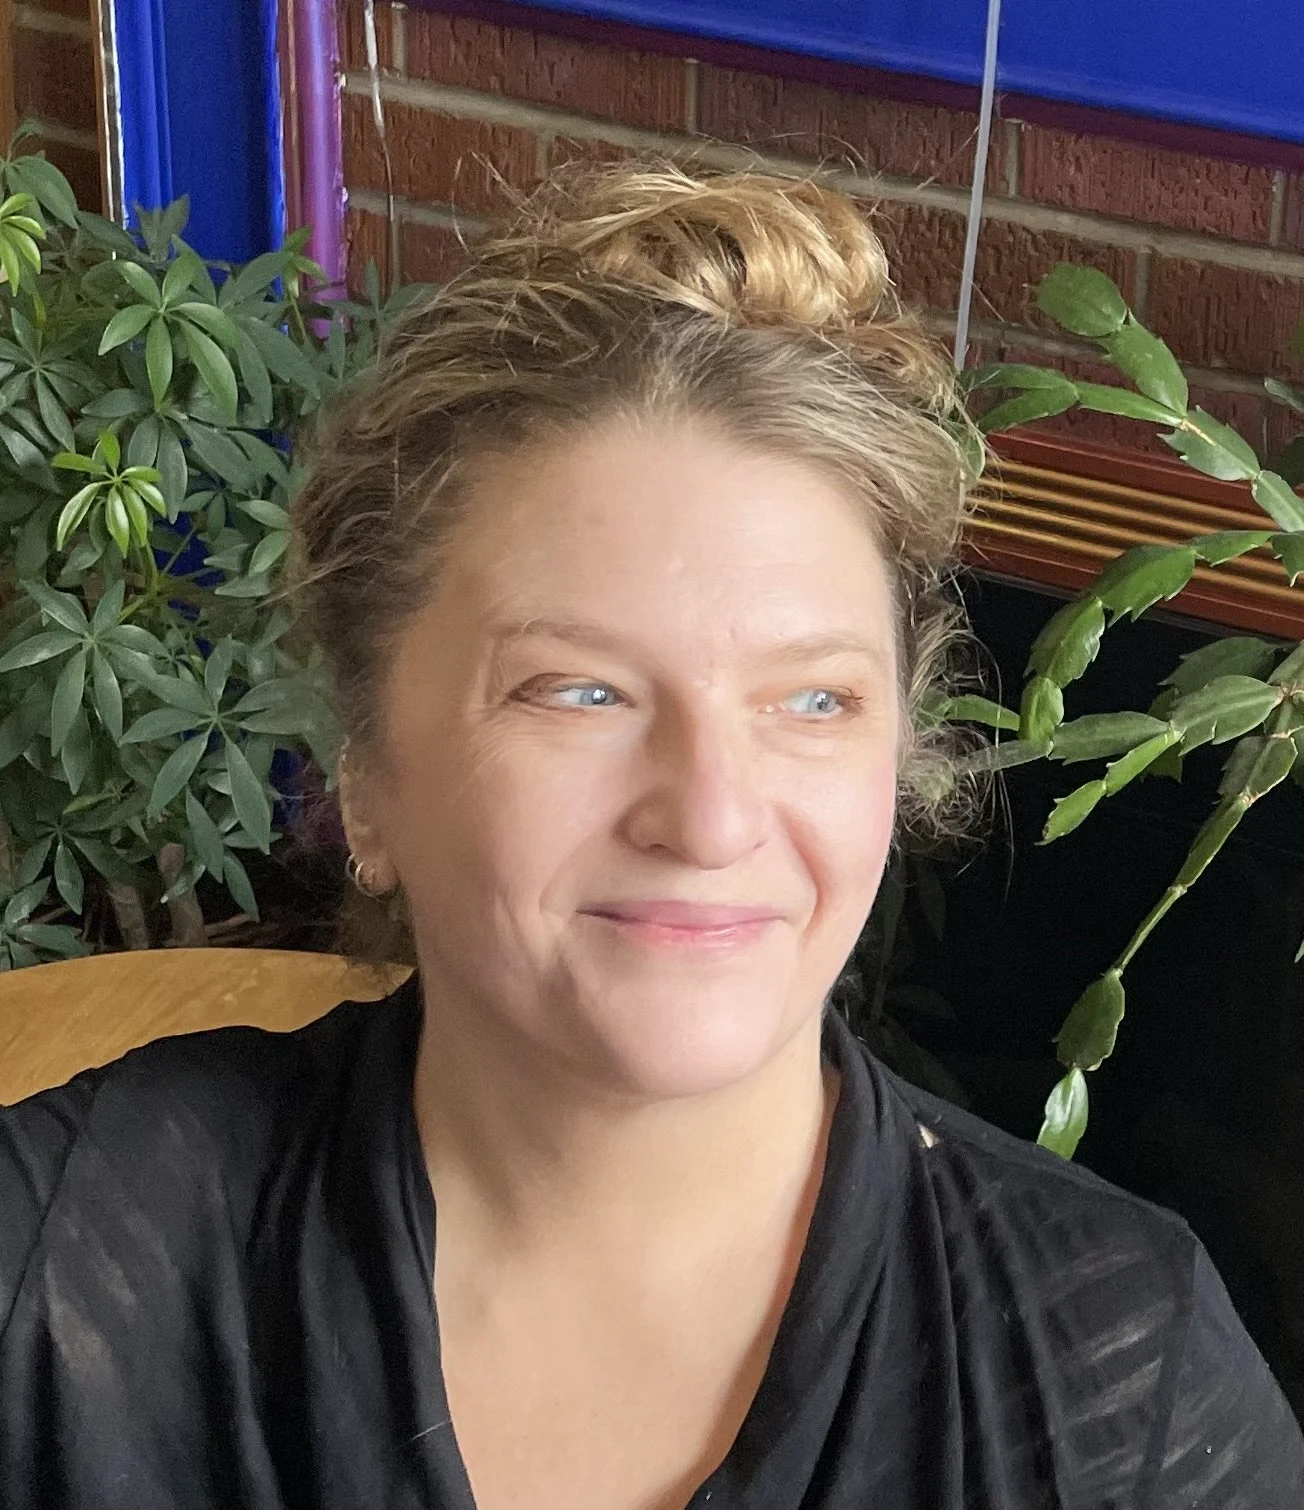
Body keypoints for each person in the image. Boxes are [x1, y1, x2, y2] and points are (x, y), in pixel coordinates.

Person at [1, 163, 1300, 1510]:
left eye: (811, 700)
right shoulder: (51, 1276)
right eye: (580, 690)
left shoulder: (1119, 1393)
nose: (713, 812)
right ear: (366, 776)